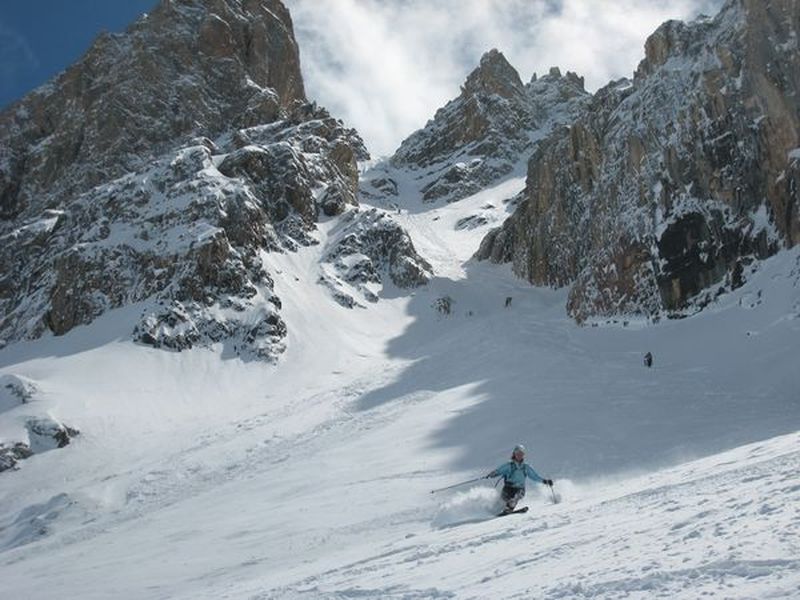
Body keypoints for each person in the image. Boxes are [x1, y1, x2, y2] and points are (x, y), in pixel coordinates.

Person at [487, 444, 553, 514]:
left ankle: (509, 508)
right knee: (502, 500)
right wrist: (493, 474)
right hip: (508, 488)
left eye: (521, 453)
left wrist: (545, 481)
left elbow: (534, 476)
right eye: (517, 453)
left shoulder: (525, 467)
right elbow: (499, 470)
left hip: (520, 489)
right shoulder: (509, 465)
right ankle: (493, 511)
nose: (519, 455)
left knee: (515, 498)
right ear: (514, 454)